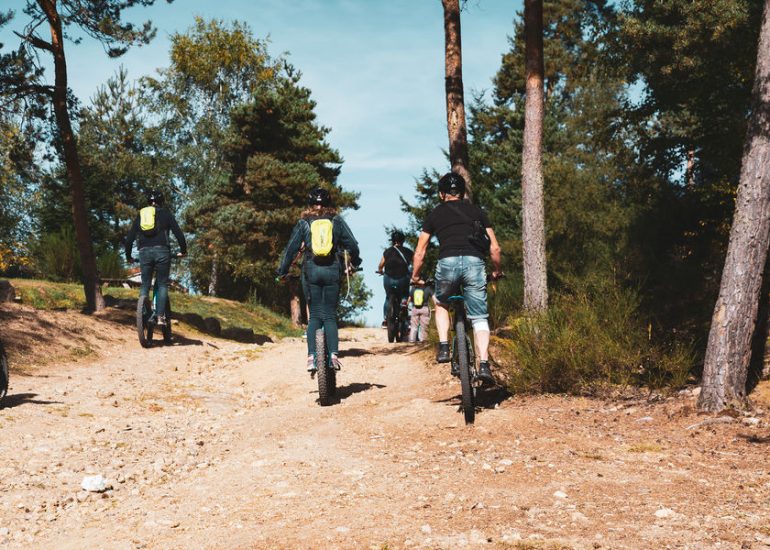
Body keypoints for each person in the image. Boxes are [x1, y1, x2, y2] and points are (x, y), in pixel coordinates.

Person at [411, 172, 503, 384]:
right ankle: (484, 365)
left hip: (448, 263)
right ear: (462, 192)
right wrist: (497, 270)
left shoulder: (435, 214)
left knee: (441, 302)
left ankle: (443, 347)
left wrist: (415, 276)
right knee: (479, 317)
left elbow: (420, 252)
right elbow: (495, 247)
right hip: (474, 264)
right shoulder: (478, 212)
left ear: (442, 194)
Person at [276, 187, 362, 372]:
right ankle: (333, 357)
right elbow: (352, 245)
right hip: (332, 270)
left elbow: (291, 249)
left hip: (311, 270)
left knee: (315, 315)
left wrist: (282, 271)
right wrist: (355, 261)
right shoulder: (336, 220)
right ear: (329, 203)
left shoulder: (304, 222)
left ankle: (311, 358)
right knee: (329, 315)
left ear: (310, 203)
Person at [125, 189, 187, 326]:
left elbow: (129, 239)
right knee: (162, 283)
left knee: (145, 283)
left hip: (144, 252)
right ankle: (159, 317)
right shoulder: (166, 214)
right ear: (161, 201)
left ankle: (143, 312)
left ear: (148, 202)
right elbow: (179, 235)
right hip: (162, 252)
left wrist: (128, 256)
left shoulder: (140, 216)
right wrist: (183, 251)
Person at [376, 230, 413, 327]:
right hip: (403, 278)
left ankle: (385, 320)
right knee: (404, 293)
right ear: (403, 240)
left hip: (388, 278)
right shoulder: (409, 252)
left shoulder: (387, 251)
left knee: (388, 297)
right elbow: (415, 264)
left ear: (392, 240)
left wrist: (380, 271)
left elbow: (380, 265)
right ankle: (404, 302)